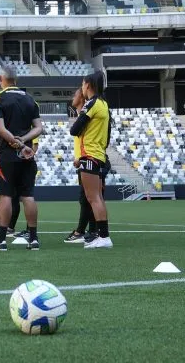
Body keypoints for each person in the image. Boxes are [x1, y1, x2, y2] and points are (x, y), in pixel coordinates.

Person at [0, 66, 44, 251]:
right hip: (27, 155)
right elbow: (38, 128)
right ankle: (33, 238)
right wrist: (24, 141)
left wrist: (17, 143)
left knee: (5, 195)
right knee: (28, 195)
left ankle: (1, 240)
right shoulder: (30, 99)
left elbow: (0, 129)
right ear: (16, 80)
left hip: (7, 154)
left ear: (0, 78)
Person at [70, 71, 113, 249]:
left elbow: (74, 130)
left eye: (82, 84)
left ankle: (103, 236)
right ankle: (102, 235)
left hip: (89, 155)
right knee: (97, 197)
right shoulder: (104, 104)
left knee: (93, 197)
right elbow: (107, 136)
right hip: (98, 154)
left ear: (87, 85)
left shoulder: (92, 103)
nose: (81, 87)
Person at [64, 88, 97, 244]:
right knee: (86, 199)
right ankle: (88, 231)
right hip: (83, 161)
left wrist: (81, 157)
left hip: (87, 160)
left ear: (82, 98)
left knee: (88, 199)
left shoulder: (84, 118)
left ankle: (86, 231)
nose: (73, 97)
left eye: (76, 94)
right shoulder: (80, 116)